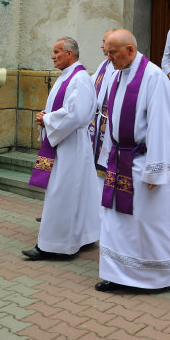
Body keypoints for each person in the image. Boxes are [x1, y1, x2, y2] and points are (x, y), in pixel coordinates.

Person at [95, 29, 170, 292]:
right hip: (119, 159)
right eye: (108, 51)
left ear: (130, 50)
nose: (108, 57)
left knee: (145, 223)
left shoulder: (154, 78)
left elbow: (162, 126)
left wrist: (157, 170)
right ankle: (118, 273)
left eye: (113, 52)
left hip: (143, 162)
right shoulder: (117, 74)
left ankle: (152, 276)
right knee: (115, 220)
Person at [22, 37, 101, 259]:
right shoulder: (66, 77)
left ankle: (54, 245)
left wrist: (47, 119)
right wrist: (46, 118)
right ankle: (80, 237)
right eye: (53, 51)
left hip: (71, 144)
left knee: (63, 193)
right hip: (64, 142)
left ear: (70, 53)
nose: (53, 56)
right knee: (74, 192)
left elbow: (77, 114)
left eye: (57, 52)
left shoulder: (80, 78)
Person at [90, 29, 117, 168]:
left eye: (104, 42)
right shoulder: (103, 64)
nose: (101, 46)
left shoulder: (122, 67)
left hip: (112, 123)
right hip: (97, 120)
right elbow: (90, 83)